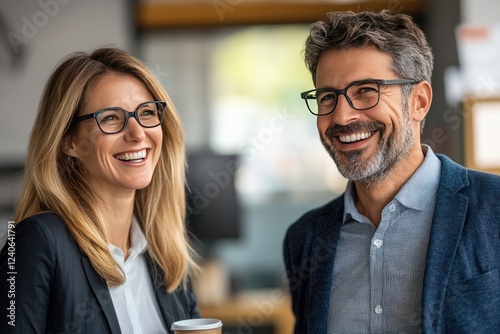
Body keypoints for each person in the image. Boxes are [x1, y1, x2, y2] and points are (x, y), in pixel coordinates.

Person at [283, 10, 500, 334]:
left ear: (419, 101)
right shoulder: (305, 239)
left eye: (366, 90)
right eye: (328, 97)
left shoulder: (493, 208)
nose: (342, 116)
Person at [0, 47, 201, 333]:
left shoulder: (166, 255)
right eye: (110, 118)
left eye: (146, 112)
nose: (137, 133)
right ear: (68, 142)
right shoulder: (36, 242)